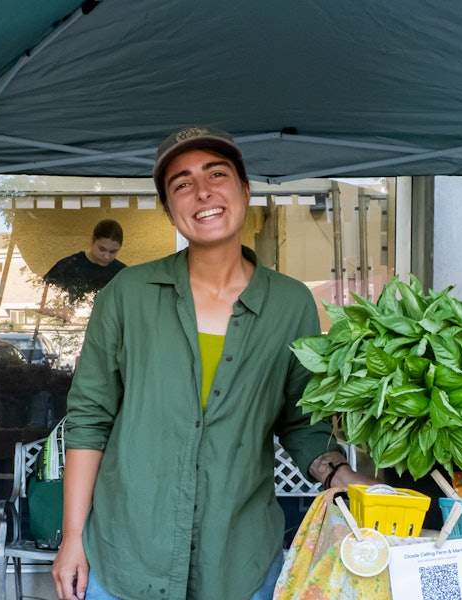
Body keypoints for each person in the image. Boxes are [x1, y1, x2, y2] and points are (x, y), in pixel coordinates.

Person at [53, 126, 375, 600]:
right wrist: (73, 539)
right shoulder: (126, 295)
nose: (202, 191)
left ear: (244, 190)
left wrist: (339, 473)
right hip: (125, 556)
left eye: (217, 174)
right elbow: (89, 419)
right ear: (169, 209)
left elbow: (301, 420)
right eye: (181, 183)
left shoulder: (291, 304)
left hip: (240, 562)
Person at [42, 219, 127, 303]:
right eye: (102, 249)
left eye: (113, 252)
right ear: (92, 240)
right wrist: (68, 314)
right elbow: (42, 302)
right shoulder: (68, 266)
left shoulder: (123, 274)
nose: (106, 256)